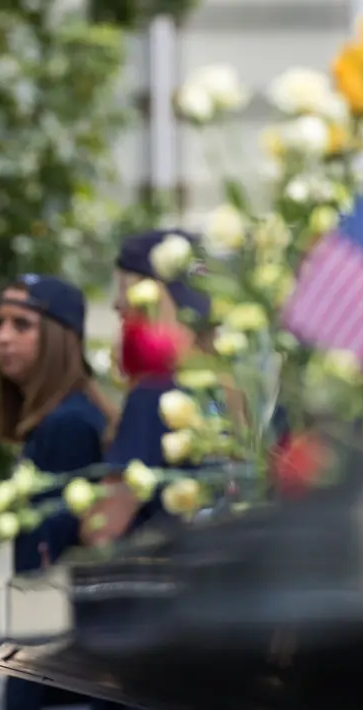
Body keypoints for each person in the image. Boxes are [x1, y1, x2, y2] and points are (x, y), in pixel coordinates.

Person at [0, 274, 118, 710]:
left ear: (61, 339)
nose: (3, 338)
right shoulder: (57, 422)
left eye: (22, 325)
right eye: (0, 323)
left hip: (61, 677)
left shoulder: (70, 425)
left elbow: (52, 574)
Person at [80, 230, 218, 546]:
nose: (117, 306)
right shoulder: (241, 393)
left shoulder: (155, 397)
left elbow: (103, 528)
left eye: (125, 290)